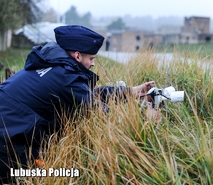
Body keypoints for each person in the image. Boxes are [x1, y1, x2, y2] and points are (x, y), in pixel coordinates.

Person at [0, 25, 157, 183]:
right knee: (67, 174)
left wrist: (130, 92)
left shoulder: (52, 65)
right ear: (77, 56)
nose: (93, 64)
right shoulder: (65, 77)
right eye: (91, 59)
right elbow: (102, 115)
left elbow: (87, 96)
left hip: (10, 134)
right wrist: (146, 121)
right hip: (7, 147)